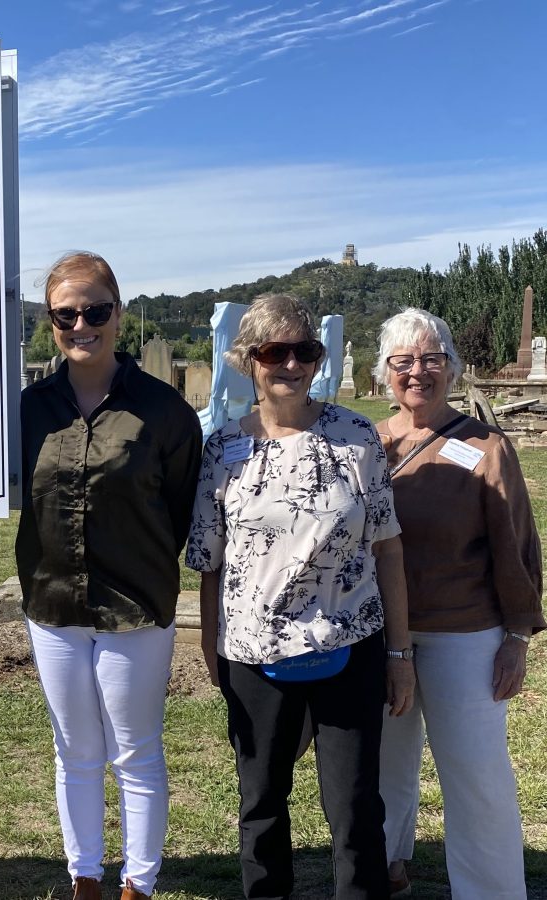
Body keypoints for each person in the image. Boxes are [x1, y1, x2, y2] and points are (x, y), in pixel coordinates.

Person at [185, 293, 415, 900]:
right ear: (248, 361)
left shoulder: (356, 436)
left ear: (318, 360)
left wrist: (400, 655)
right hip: (255, 655)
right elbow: (210, 564)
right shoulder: (222, 451)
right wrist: (213, 649)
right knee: (261, 805)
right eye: (273, 351)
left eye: (304, 351)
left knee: (356, 807)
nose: (290, 364)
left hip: (350, 646)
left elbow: (388, 548)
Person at [16, 251, 202, 900]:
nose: (81, 323)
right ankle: (85, 877)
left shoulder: (165, 411)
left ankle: (139, 885)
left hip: (134, 607)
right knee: (75, 752)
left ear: (118, 315)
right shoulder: (29, 409)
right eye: (66, 314)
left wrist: (142, 560)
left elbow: (179, 507)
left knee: (136, 753)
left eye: (95, 310)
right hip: (53, 604)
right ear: (51, 321)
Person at [372, 308, 543, 900]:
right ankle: (385, 869)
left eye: (431, 359)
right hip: (380, 634)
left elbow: (516, 544)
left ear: (450, 367)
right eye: (403, 361)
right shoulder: (366, 443)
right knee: (382, 767)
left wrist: (517, 637)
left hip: (464, 634)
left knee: (475, 776)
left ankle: (491, 890)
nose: (417, 371)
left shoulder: (485, 447)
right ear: (384, 373)